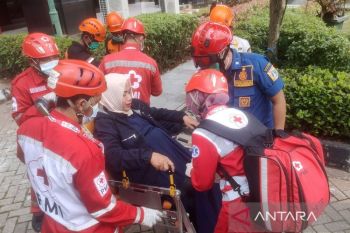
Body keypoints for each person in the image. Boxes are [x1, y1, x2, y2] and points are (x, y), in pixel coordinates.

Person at [17, 59, 164, 233]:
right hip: (87, 227)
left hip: (52, 223)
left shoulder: (26, 128)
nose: (96, 108)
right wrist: (140, 214)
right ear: (81, 104)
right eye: (94, 103)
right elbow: (104, 209)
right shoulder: (84, 150)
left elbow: (23, 156)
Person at [184, 69, 263, 233]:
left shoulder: (204, 132)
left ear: (200, 97)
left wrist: (192, 170)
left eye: (193, 95)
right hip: (261, 191)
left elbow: (202, 183)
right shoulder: (239, 113)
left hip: (238, 202)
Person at [191, 21, 286, 129]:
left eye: (209, 61)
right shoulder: (205, 75)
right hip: (228, 139)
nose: (206, 68)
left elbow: (278, 100)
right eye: (201, 62)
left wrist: (278, 135)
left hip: (260, 137)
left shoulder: (256, 64)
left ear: (223, 52)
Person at [11, 32, 60, 232]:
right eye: (45, 60)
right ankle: (39, 213)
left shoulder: (62, 72)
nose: (51, 62)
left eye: (52, 57)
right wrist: (43, 103)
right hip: (38, 141)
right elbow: (20, 119)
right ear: (32, 61)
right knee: (40, 177)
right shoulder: (22, 84)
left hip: (63, 136)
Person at [99, 17, 162, 105]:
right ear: (140, 37)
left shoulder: (107, 61)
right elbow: (157, 92)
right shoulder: (150, 63)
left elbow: (99, 87)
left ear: (123, 37)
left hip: (115, 115)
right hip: (141, 115)